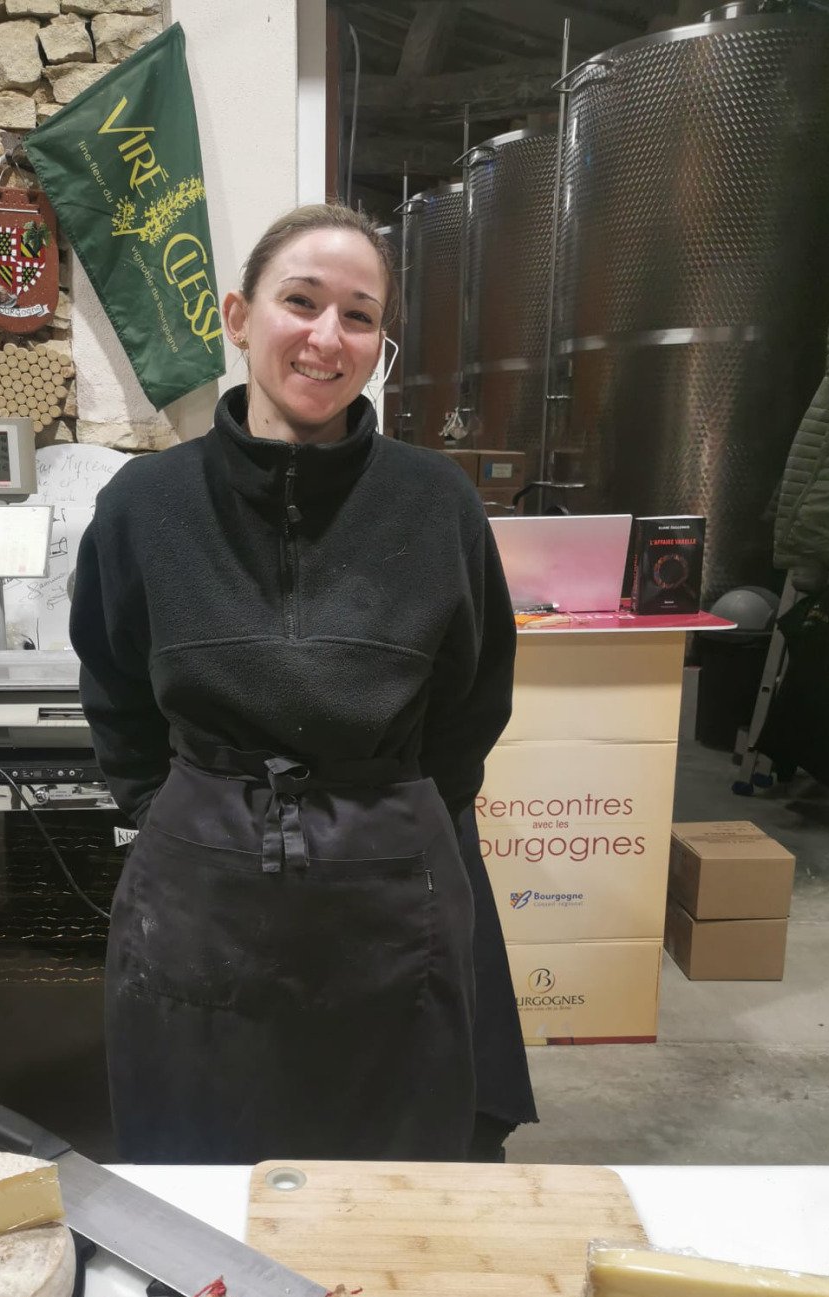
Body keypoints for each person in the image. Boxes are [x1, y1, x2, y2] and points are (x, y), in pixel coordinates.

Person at [70, 202, 535, 1164]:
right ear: (240, 317)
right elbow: (113, 682)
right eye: (302, 301)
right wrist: (180, 806)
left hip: (391, 877)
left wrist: (388, 813)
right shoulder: (146, 503)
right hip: (202, 872)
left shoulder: (434, 500)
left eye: (359, 315)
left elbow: (473, 698)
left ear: (379, 344)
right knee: (200, 1154)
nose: (328, 337)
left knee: (395, 1164)